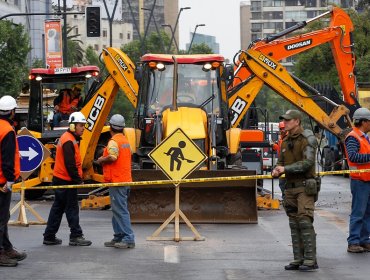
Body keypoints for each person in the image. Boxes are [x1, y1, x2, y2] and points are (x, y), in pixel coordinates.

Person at [272, 109, 319, 271]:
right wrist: (276, 170)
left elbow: (307, 163)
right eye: (284, 120)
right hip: (290, 188)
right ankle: (298, 258)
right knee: (294, 223)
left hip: (305, 186)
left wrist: (284, 169)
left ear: (297, 121)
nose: (285, 123)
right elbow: (280, 162)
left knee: (304, 220)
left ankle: (310, 259)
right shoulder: (285, 142)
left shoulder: (308, 139)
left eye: (288, 120)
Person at [43, 111, 92, 247]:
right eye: (80, 125)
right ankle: (76, 236)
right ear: (72, 126)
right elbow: (70, 165)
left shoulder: (67, 138)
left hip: (61, 178)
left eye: (83, 125)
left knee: (58, 208)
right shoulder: (68, 141)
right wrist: (78, 180)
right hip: (66, 180)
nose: (83, 128)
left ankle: (49, 236)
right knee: (71, 208)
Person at [95, 114, 135, 249]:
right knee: (117, 210)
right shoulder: (125, 140)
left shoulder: (113, 142)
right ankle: (118, 236)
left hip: (117, 181)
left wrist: (101, 159)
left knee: (121, 210)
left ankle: (128, 238)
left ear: (110, 127)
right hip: (125, 180)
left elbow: (112, 157)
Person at [0, 95, 27, 267]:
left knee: (3, 216)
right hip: (2, 182)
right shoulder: (8, 130)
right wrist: (9, 180)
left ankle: (7, 247)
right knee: (1, 218)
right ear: (12, 112)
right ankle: (1, 253)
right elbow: (7, 159)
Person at [344, 107, 370, 253]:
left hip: (367, 179)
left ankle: (364, 240)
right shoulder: (353, 137)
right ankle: (353, 241)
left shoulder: (365, 137)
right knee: (358, 213)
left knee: (367, 213)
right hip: (359, 181)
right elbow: (353, 157)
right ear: (364, 122)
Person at [272, 121, 288, 199]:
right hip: (282, 164)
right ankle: (285, 198)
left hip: (286, 164)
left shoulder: (287, 139)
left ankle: (286, 198)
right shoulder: (282, 139)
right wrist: (274, 145)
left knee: (283, 183)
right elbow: (279, 149)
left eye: (283, 128)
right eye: (281, 129)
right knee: (282, 183)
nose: (282, 130)